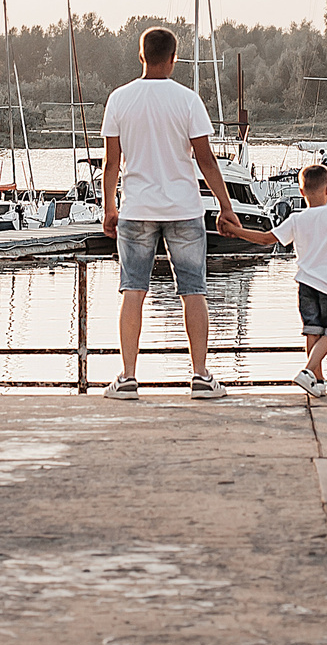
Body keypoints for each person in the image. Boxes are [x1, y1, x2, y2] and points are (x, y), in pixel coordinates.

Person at [99, 25, 241, 399]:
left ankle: (128, 377)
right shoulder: (188, 100)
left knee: (133, 290)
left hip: (136, 209)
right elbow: (207, 161)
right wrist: (227, 208)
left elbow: (111, 164)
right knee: (194, 292)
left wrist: (109, 208)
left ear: (141, 56)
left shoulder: (119, 99)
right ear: (174, 59)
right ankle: (200, 376)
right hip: (183, 209)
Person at [221, 162, 327, 396]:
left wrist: (236, 231)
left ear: (301, 192)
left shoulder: (296, 219)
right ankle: (309, 370)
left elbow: (265, 239)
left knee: (312, 331)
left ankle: (318, 382)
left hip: (305, 285)